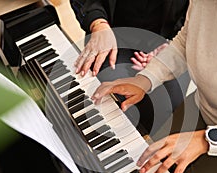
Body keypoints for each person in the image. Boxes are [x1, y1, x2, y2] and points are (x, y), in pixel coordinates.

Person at [91, 0, 217, 173]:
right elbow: (186, 40)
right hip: (205, 110)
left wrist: (206, 141)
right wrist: (145, 79)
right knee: (135, 172)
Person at [70, 0, 191, 135]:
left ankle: (140, 145)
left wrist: (169, 49)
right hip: (112, 33)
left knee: (168, 106)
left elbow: (197, 21)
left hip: (170, 40)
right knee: (111, 99)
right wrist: (98, 23)